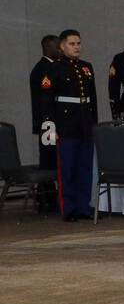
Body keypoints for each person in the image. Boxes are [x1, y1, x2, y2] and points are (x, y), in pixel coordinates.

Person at [39, 29, 99, 221]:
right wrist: (50, 127)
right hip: (66, 125)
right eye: (72, 44)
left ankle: (83, 206)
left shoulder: (86, 67)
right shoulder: (54, 68)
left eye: (78, 43)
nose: (76, 47)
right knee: (67, 169)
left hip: (84, 123)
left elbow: (93, 100)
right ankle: (69, 208)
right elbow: (46, 100)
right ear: (62, 46)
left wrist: (93, 124)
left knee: (85, 167)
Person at [28, 34, 60, 212]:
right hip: (48, 124)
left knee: (52, 159)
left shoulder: (51, 67)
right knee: (48, 160)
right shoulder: (43, 69)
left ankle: (49, 196)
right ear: (48, 47)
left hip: (50, 123)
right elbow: (44, 101)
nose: (60, 49)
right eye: (57, 46)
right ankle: (46, 198)